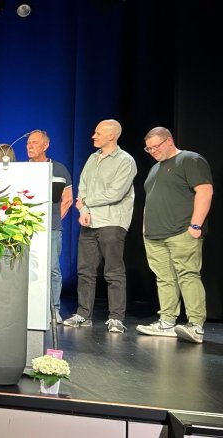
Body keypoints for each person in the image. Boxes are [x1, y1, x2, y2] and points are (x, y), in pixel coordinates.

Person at [135, 127, 212, 343]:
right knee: (164, 278)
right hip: (154, 234)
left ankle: (196, 326)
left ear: (169, 141)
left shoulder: (190, 160)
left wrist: (195, 225)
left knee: (188, 275)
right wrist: (145, 228)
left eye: (156, 146)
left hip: (181, 231)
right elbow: (150, 200)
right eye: (149, 149)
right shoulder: (154, 169)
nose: (153, 151)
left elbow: (205, 191)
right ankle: (167, 322)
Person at [64, 119, 136, 333]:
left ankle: (116, 318)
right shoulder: (92, 158)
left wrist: (86, 202)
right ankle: (83, 314)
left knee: (113, 271)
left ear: (111, 136)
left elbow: (115, 193)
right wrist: (84, 210)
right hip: (89, 220)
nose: (93, 136)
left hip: (112, 221)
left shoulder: (125, 161)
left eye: (97, 133)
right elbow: (83, 186)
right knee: (85, 271)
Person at [25, 130, 73, 322]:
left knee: (52, 269)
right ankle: (28, 309)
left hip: (51, 228)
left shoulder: (58, 168)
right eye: (28, 143)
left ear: (45, 146)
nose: (30, 146)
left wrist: (51, 220)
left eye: (34, 143)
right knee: (27, 269)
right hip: (26, 228)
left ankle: (54, 310)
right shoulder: (21, 169)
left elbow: (67, 200)